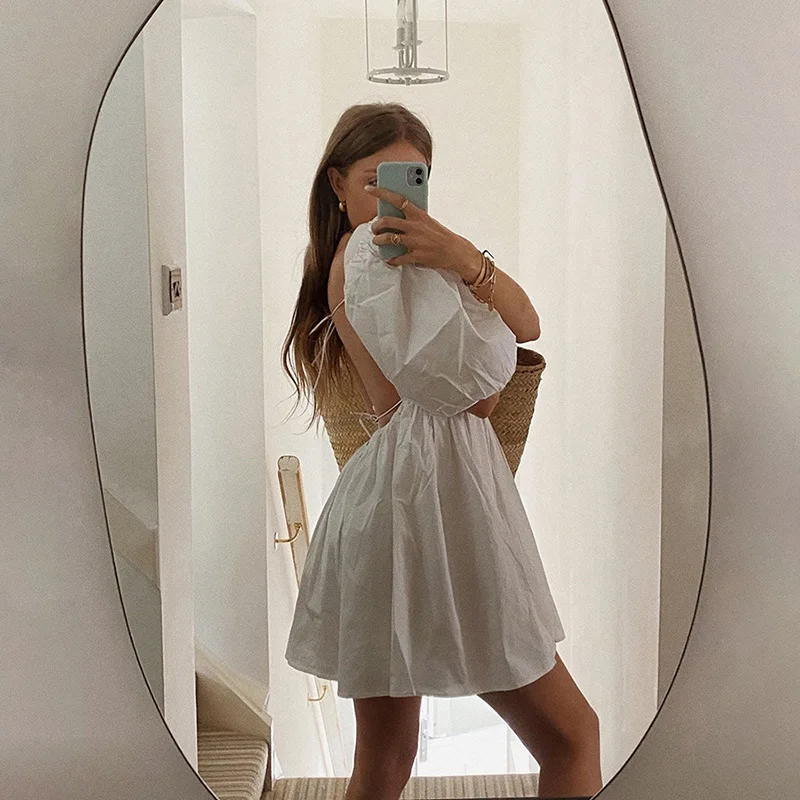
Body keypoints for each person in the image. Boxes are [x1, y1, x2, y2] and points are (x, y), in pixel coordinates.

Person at [281, 102, 602, 800]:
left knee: (385, 759)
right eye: (375, 179)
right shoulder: (371, 257)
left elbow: (525, 326)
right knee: (572, 736)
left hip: (407, 496)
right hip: (432, 500)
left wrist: (459, 257)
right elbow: (479, 395)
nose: (391, 197)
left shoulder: (386, 258)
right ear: (338, 182)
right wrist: (465, 267)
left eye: (411, 178)